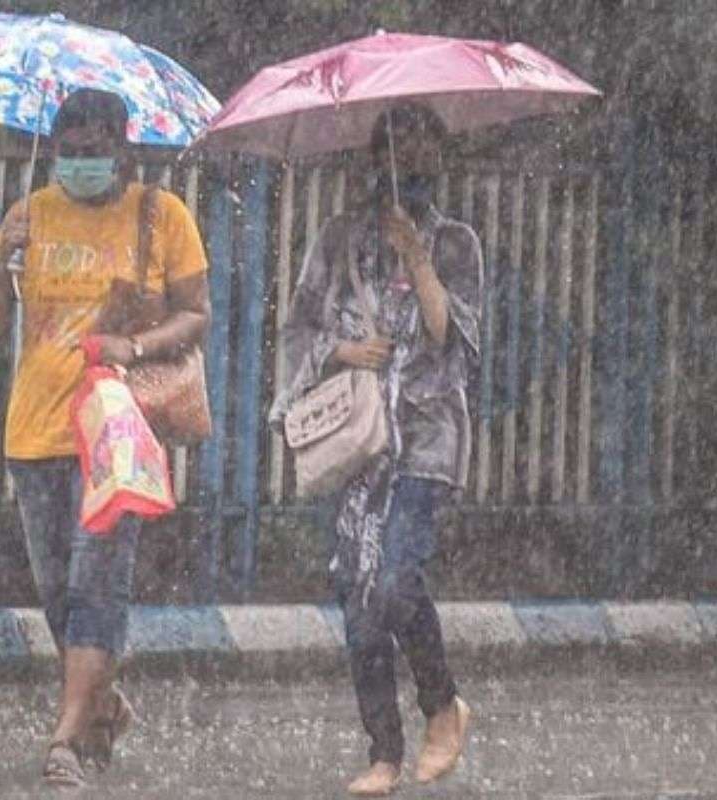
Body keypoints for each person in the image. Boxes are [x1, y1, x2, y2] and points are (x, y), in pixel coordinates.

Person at [0, 88, 211, 787]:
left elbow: (198, 315)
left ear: (122, 149)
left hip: (115, 429)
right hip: (34, 429)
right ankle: (100, 702)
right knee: (57, 592)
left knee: (96, 581)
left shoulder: (161, 216)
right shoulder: (30, 215)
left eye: (95, 150)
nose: (81, 163)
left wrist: (131, 347)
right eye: (69, 151)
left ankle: (66, 741)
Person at [270, 103, 482, 797]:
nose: (409, 164)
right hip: (358, 441)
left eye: (423, 151)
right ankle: (384, 751)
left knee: (394, 581)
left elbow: (452, 338)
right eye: (396, 150)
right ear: (375, 159)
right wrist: (341, 349)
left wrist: (416, 255)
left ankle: (442, 704)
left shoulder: (456, 243)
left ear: (440, 160)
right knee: (356, 591)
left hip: (423, 437)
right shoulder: (338, 240)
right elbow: (300, 325)